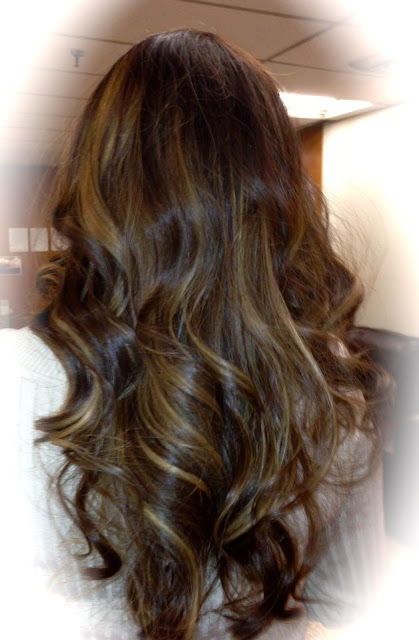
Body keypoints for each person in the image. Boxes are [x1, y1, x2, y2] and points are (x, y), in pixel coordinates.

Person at [0, 29, 385, 640]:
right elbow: (353, 605)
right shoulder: (332, 383)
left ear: (100, 181)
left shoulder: (13, 380)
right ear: (277, 190)